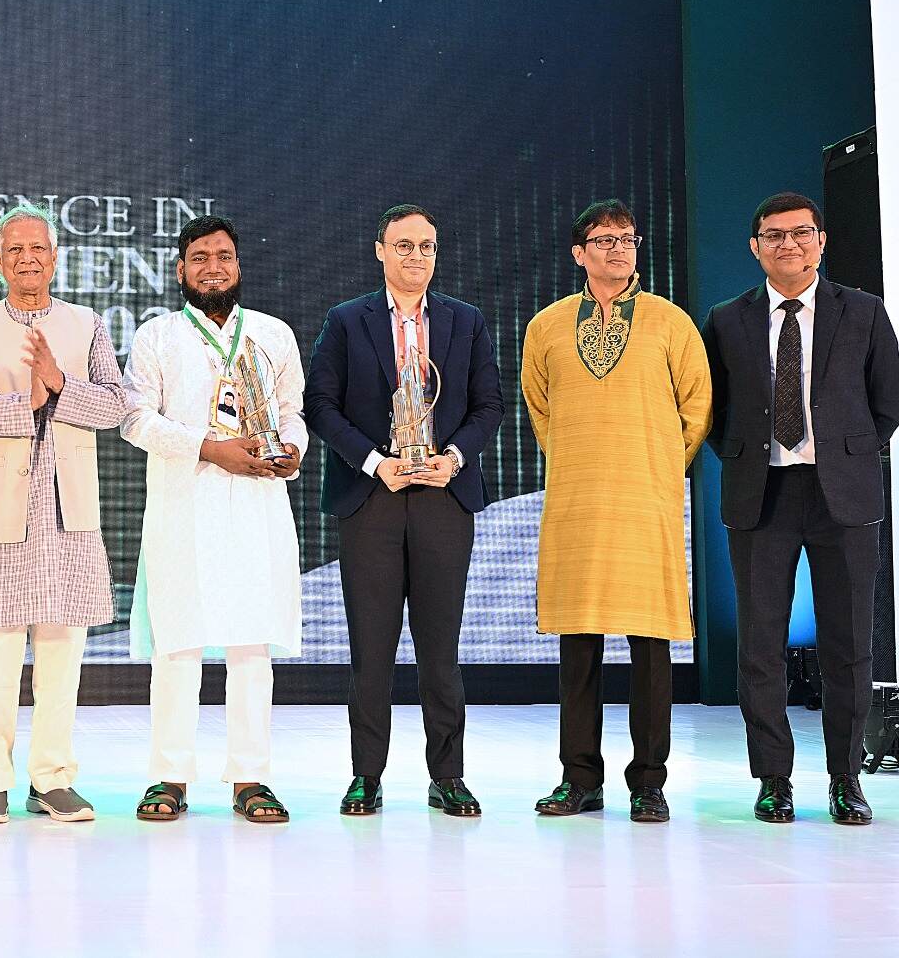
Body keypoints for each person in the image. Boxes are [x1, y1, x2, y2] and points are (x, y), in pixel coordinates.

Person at [702, 191, 899, 826]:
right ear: (754, 246)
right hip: (762, 494)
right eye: (774, 235)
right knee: (760, 645)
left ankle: (846, 778)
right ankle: (773, 779)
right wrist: (743, 455)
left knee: (848, 644)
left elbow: (888, 400)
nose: (788, 244)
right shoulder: (726, 319)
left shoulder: (864, 311)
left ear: (821, 241)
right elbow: (712, 409)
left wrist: (848, 452)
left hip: (843, 493)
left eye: (800, 233)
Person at [304, 204, 502, 818]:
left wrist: (453, 458)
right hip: (373, 499)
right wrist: (374, 462)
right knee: (372, 651)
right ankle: (367, 776)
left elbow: (489, 405)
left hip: (444, 497)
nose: (416, 255)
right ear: (380, 251)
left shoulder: (466, 321)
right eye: (404, 245)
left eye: (426, 246)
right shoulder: (346, 321)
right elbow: (321, 405)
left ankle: (448, 776)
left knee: (441, 651)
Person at [522, 199, 711, 824]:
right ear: (579, 253)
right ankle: (579, 779)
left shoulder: (670, 322)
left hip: (645, 499)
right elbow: (541, 409)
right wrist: (578, 460)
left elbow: (696, 408)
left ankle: (648, 781)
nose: (619, 249)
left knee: (650, 646)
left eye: (627, 239)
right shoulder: (547, 326)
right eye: (604, 240)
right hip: (577, 500)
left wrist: (655, 465)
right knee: (579, 645)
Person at [0, 203, 127, 824]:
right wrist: (27, 400)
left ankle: (52, 779)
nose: (27, 259)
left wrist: (62, 385)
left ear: (54, 258)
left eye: (37, 248)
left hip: (67, 510)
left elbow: (116, 407)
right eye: (15, 250)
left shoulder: (87, 325)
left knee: (62, 651)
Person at [122, 214, 307, 824]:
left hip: (256, 503)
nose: (213, 268)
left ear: (238, 265)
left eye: (224, 256)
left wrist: (293, 448)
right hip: (184, 505)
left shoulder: (273, 334)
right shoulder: (157, 336)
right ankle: (169, 776)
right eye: (199, 258)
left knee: (250, 644)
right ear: (180, 269)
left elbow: (292, 411)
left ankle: (250, 777)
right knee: (178, 644)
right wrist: (208, 447)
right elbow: (135, 420)